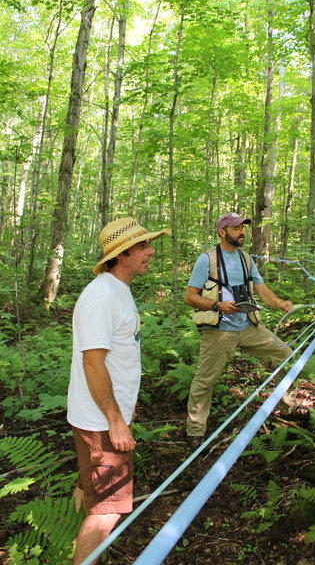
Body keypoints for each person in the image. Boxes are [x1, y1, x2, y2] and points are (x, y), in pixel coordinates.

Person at [67, 217, 170, 565]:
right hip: (100, 422)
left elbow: (115, 360)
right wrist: (115, 420)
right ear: (121, 254)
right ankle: (86, 553)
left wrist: (123, 409)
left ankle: (72, 537)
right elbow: (93, 363)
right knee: (107, 512)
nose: (150, 251)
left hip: (100, 416)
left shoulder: (116, 291)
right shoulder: (101, 296)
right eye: (143, 246)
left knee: (89, 490)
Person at [184, 212, 298, 451]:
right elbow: (190, 296)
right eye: (235, 228)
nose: (241, 232)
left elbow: (261, 288)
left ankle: (289, 408)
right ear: (221, 232)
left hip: (247, 326)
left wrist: (279, 304)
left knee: (284, 354)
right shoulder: (207, 259)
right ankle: (195, 432)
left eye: (242, 228)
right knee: (205, 380)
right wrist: (218, 305)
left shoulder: (246, 258)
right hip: (218, 330)